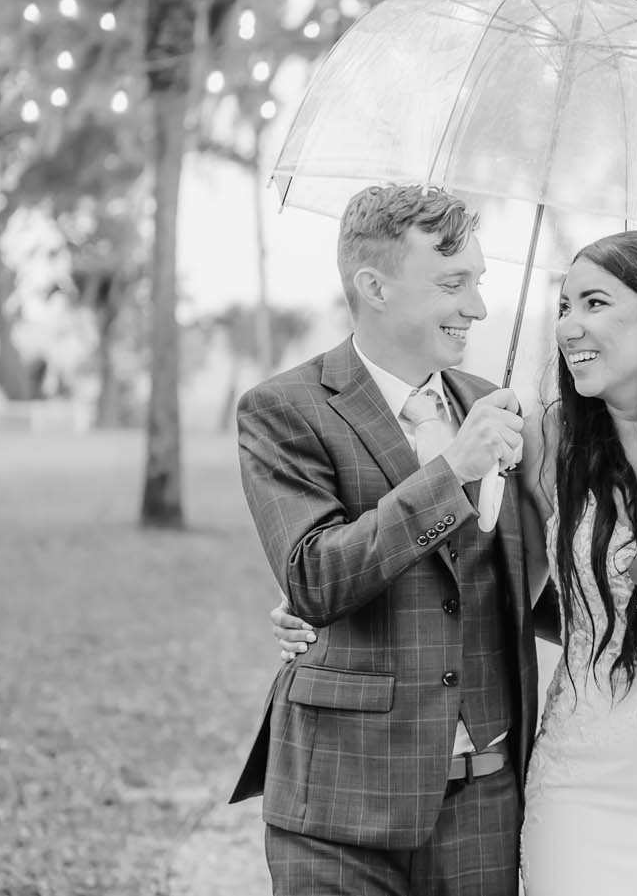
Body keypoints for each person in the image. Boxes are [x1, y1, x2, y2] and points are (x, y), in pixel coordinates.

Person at [275, 231, 637, 894]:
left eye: (594, 303)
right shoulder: (546, 439)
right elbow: (482, 575)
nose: (569, 325)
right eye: (564, 305)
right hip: (586, 780)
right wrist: (318, 609)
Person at [232, 182, 553, 896]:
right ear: (374, 287)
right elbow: (313, 579)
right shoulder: (284, 409)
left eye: (479, 282)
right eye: (452, 283)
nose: (477, 307)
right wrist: (452, 470)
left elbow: (536, 585)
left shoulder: (496, 409)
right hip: (338, 804)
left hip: (484, 806)